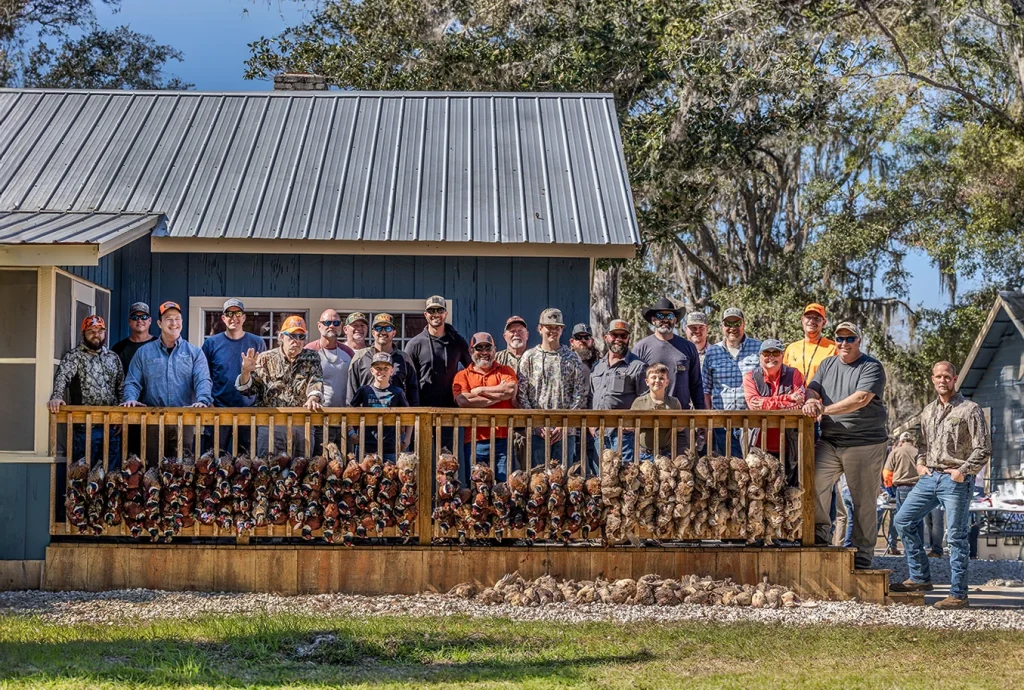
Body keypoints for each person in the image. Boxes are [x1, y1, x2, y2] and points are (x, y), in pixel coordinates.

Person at [891, 361, 991, 609]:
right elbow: (923, 445)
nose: (942, 380)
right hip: (929, 479)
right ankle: (920, 577)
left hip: (955, 480)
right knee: (902, 520)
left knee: (956, 537)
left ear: (954, 379)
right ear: (932, 379)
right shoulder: (928, 411)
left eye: (947, 376)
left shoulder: (970, 409)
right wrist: (920, 463)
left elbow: (983, 448)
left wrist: (962, 471)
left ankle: (958, 594)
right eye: (938, 376)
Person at [802, 321, 887, 570]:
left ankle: (863, 551)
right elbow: (812, 388)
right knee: (814, 481)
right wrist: (810, 401)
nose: (844, 343)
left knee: (863, 500)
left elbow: (861, 399)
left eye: (850, 339)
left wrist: (824, 410)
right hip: (830, 440)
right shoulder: (828, 364)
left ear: (859, 341)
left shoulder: (871, 366)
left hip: (865, 442)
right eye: (840, 338)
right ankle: (820, 533)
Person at [122, 301, 212, 462]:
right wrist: (131, 399)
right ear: (159, 323)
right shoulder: (144, 352)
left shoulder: (194, 353)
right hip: (154, 419)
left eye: (177, 318)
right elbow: (132, 381)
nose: (173, 323)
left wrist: (202, 400)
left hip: (184, 419)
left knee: (182, 469)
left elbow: (203, 379)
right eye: (168, 318)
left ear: (182, 322)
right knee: (152, 469)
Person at [236, 316, 323, 455]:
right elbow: (249, 390)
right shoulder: (265, 358)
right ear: (281, 337)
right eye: (293, 336)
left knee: (303, 468)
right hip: (271, 423)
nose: (297, 341)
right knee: (267, 469)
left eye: (301, 336)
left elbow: (316, 381)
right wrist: (245, 372)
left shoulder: (312, 357)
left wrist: (313, 398)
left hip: (302, 423)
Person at [48, 315, 124, 468]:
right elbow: (62, 377)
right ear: (83, 333)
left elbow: (121, 386)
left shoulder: (113, 357)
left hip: (111, 427)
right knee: (83, 477)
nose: (96, 335)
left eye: (100, 331)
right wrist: (56, 396)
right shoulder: (74, 356)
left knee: (111, 479)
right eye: (91, 331)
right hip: (85, 428)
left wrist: (123, 415)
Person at [516, 308, 587, 466]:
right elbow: (521, 394)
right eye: (549, 327)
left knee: (562, 481)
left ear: (562, 330)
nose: (553, 331)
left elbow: (579, 394)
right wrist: (535, 424)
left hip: (564, 432)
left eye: (557, 327)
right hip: (537, 432)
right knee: (536, 481)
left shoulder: (572, 358)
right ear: (540, 328)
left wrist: (564, 424)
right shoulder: (529, 357)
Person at [406, 295, 471, 457]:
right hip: (422, 412)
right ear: (425, 315)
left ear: (445, 314)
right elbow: (407, 380)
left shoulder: (457, 341)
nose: (435, 314)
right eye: (431, 310)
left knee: (448, 462)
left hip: (449, 412)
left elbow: (473, 369)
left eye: (439, 310)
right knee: (421, 460)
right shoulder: (415, 344)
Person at [201, 299, 265, 454]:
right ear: (223, 318)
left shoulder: (257, 342)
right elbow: (203, 376)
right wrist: (209, 404)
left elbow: (262, 378)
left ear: (244, 317)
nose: (233, 318)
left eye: (237, 313)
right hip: (218, 410)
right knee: (213, 459)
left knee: (246, 462)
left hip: (247, 412)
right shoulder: (211, 344)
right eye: (229, 314)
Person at [452, 332, 517, 480]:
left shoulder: (506, 371)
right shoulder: (462, 375)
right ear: (471, 351)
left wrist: (479, 391)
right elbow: (463, 401)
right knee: (477, 489)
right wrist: (498, 396)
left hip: (503, 439)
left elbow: (510, 391)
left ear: (494, 349)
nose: (484, 352)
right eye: (479, 348)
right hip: (475, 440)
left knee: (504, 489)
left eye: (488, 348)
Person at [742, 338, 804, 485]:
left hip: (788, 447)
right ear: (760, 356)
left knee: (787, 492)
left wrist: (766, 403)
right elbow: (754, 406)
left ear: (782, 355)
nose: (771, 357)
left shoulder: (794, 374)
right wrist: (788, 399)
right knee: (757, 492)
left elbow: (799, 403)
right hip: (758, 447)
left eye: (775, 353)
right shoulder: (750, 377)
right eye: (766, 353)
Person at [702, 307, 761, 456]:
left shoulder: (759, 348)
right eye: (728, 323)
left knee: (752, 466)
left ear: (744, 324)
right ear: (722, 326)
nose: (732, 328)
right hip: (721, 421)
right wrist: (710, 417)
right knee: (726, 467)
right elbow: (705, 389)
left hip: (750, 421)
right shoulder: (712, 352)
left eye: (737, 323)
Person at [590, 319, 648, 465]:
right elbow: (592, 396)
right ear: (606, 337)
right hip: (599, 433)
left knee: (625, 478)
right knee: (601, 479)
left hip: (624, 435)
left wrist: (634, 424)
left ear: (628, 338)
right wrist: (591, 425)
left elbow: (645, 400)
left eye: (623, 336)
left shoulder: (638, 366)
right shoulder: (597, 366)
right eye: (614, 335)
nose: (618, 339)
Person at [633, 297, 704, 411]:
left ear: (675, 320)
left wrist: (701, 419)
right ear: (653, 320)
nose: (665, 320)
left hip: (681, 417)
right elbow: (632, 385)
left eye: (669, 316)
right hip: (648, 417)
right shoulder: (641, 348)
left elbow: (696, 385)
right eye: (660, 316)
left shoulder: (688, 347)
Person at [348, 352, 412, 462]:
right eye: (378, 368)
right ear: (372, 371)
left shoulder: (397, 392)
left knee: (391, 477)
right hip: (366, 447)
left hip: (391, 447)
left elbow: (409, 416)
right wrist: (351, 432)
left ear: (391, 371)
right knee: (365, 478)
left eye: (386, 368)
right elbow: (350, 411)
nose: (381, 372)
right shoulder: (364, 390)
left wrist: (407, 439)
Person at [346, 314, 420, 406]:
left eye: (388, 328)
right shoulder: (360, 357)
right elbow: (351, 393)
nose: (383, 332)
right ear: (373, 333)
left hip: (397, 418)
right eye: (378, 328)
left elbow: (413, 393)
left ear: (394, 333)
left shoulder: (404, 358)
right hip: (366, 417)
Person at [630, 363, 684, 460]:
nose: (657, 381)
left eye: (662, 378)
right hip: (644, 454)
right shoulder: (639, 403)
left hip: (666, 454)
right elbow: (629, 426)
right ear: (647, 381)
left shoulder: (674, 403)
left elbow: (680, 429)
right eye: (653, 377)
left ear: (667, 382)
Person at [882, 432, 922, 556]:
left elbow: (887, 473)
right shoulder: (918, 452)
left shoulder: (896, 452)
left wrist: (890, 490)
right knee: (918, 520)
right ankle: (918, 549)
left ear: (901, 441)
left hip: (902, 488)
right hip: (919, 488)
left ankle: (897, 546)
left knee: (901, 520)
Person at [783, 303, 837, 383]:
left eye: (817, 318)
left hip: (820, 395)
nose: (811, 321)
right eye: (808, 317)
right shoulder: (791, 348)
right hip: (794, 395)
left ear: (824, 323)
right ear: (802, 320)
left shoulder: (833, 348)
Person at [110, 302, 157, 376]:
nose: (139, 321)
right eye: (135, 317)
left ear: (150, 320)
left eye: (144, 317)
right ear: (129, 321)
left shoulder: (160, 345)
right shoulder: (119, 348)